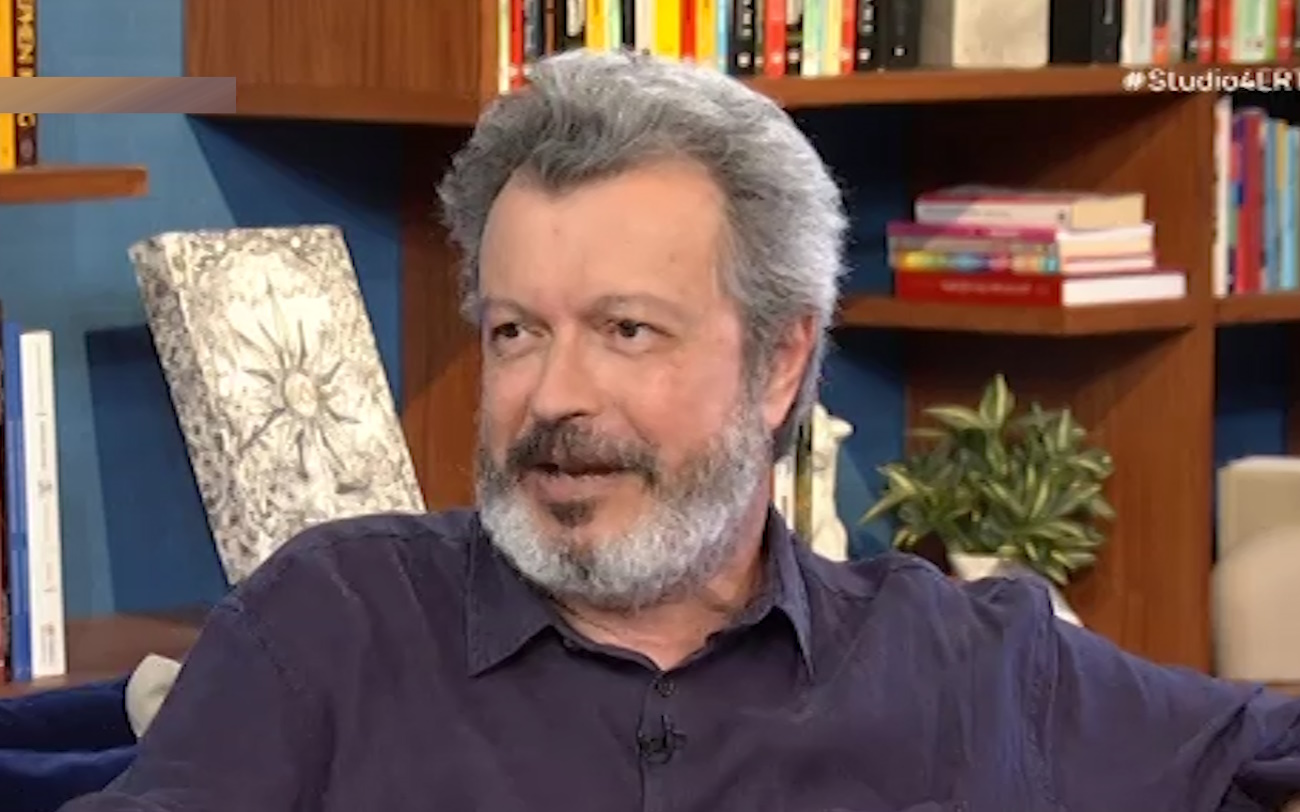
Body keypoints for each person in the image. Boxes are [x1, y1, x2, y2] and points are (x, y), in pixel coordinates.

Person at [61, 49, 1300, 812]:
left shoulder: (972, 665)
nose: (553, 395)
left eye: (626, 329)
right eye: (515, 330)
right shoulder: (331, 626)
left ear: (779, 361)